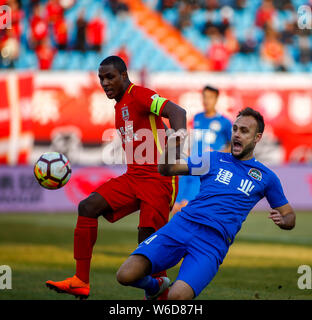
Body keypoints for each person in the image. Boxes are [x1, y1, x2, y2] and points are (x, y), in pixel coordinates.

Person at [116, 107, 296, 300]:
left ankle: (165, 290)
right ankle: (155, 287)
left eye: (244, 131)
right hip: (182, 225)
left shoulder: (266, 177)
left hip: (212, 243)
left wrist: (284, 221)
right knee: (124, 275)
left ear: (257, 137)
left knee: (176, 297)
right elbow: (168, 169)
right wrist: (172, 145)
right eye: (235, 129)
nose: (236, 134)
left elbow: (289, 215)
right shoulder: (213, 158)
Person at [45, 56, 187, 299]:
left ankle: (159, 293)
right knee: (88, 207)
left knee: (148, 242)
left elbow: (177, 111)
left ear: (124, 75)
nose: (104, 83)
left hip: (157, 180)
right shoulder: (119, 106)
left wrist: (173, 155)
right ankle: (80, 280)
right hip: (133, 178)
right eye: (101, 78)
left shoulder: (140, 94)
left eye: (110, 77)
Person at [173, 85, 232, 213]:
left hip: (208, 168)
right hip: (192, 164)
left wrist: (217, 153)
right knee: (176, 207)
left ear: (216, 99)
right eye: (204, 97)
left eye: (210, 97)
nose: (206, 100)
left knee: (188, 206)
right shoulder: (197, 117)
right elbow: (194, 139)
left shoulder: (225, 122)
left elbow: (232, 146)